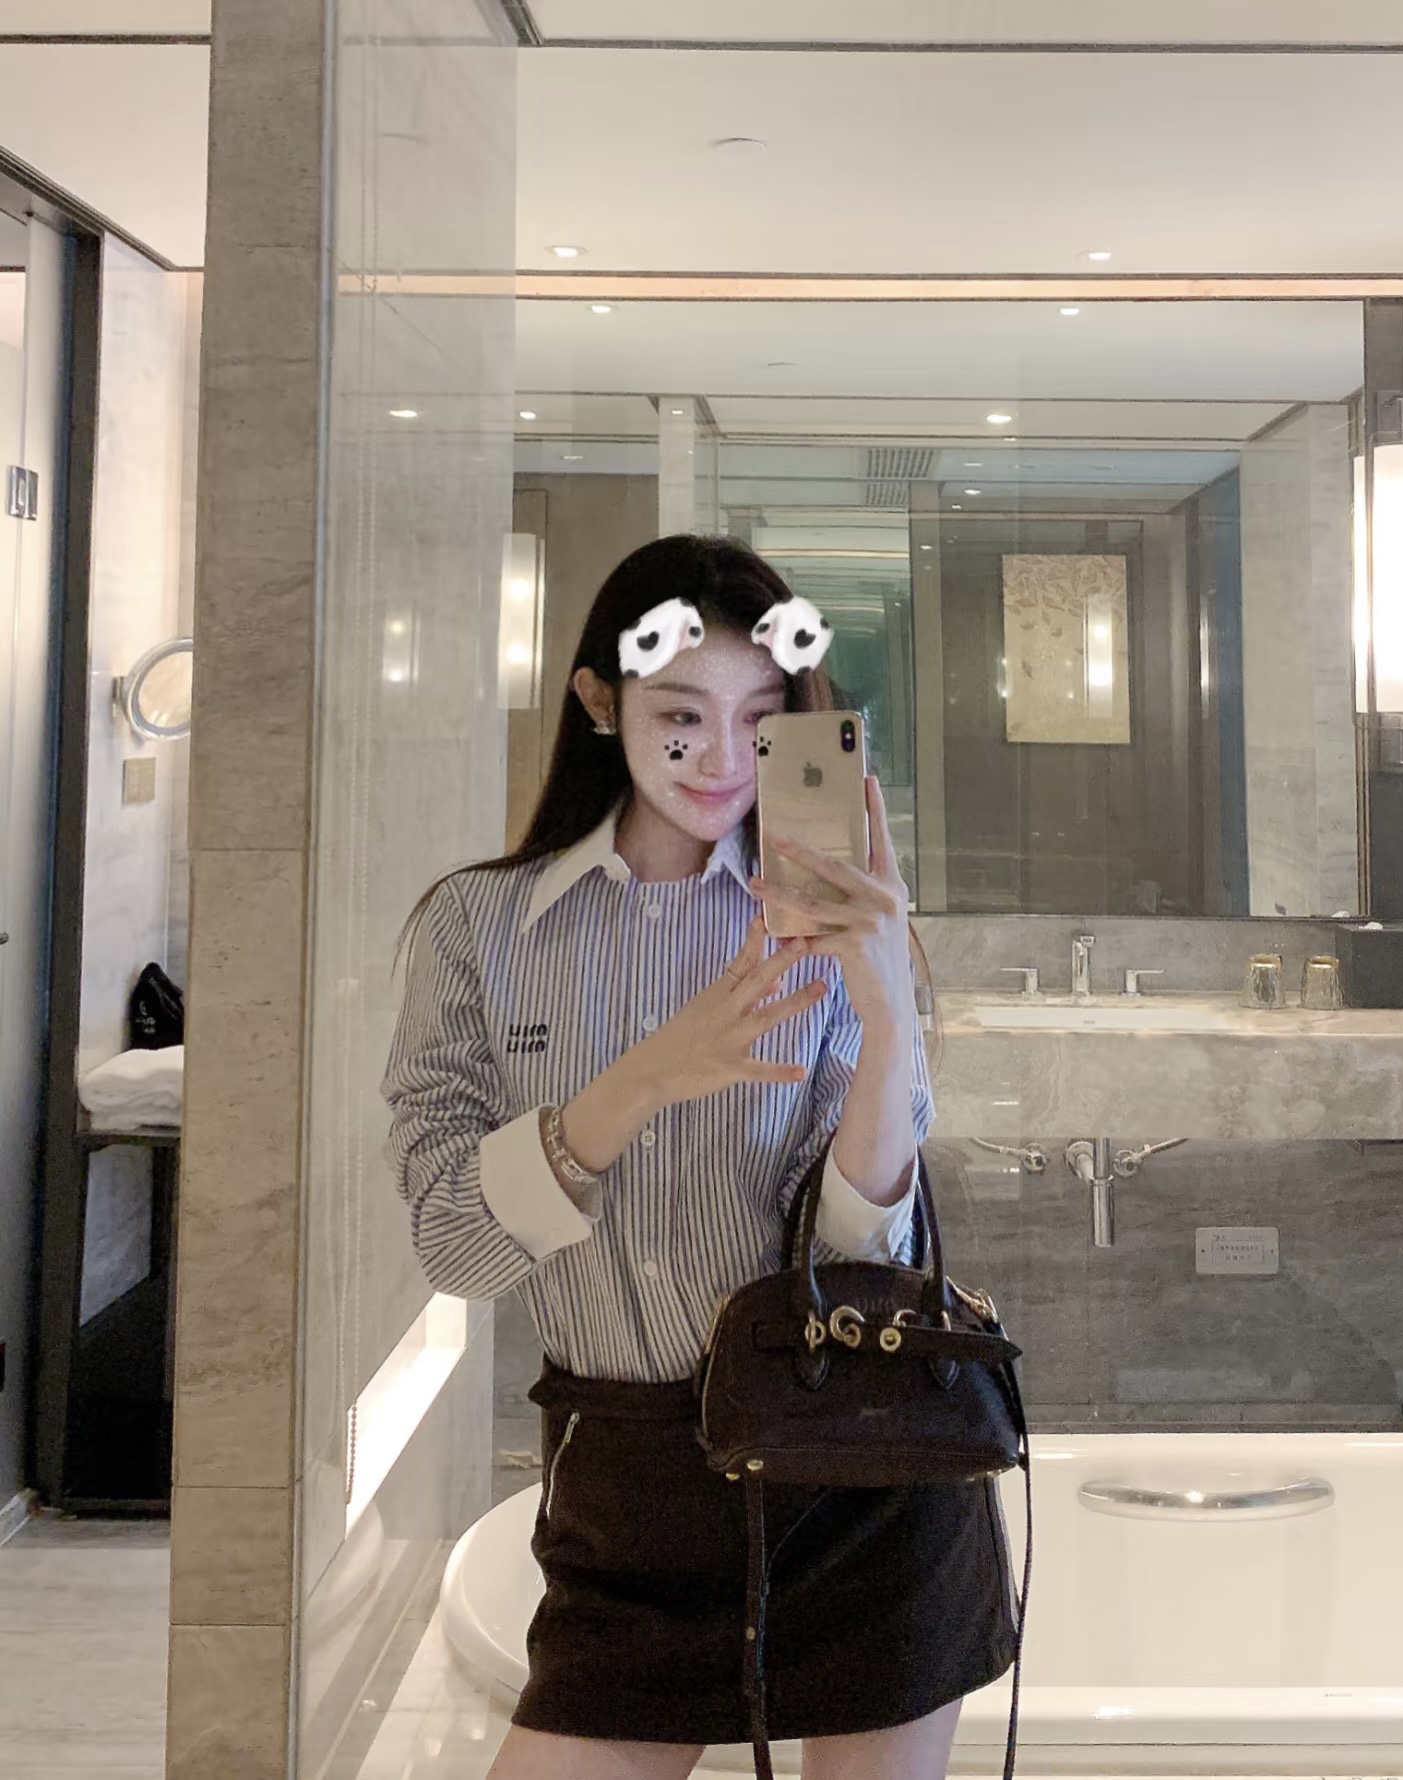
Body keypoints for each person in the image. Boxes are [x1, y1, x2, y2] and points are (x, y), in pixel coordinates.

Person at [384, 535, 1018, 1780]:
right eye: (681, 716)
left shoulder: (822, 922)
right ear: (599, 700)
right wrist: (642, 1080)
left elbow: (862, 1252)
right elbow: (452, 1245)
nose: (724, 759)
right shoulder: (479, 929)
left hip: (858, 1481)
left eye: (761, 719)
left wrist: (888, 1013)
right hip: (627, 1499)